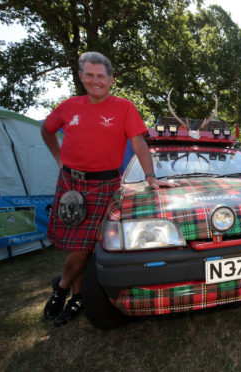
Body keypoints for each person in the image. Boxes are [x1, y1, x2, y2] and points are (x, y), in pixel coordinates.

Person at [41, 51, 177, 326]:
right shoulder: (68, 106)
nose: (95, 81)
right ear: (81, 77)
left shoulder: (124, 107)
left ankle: (62, 287)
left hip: (104, 183)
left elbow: (139, 144)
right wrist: (58, 158)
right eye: (89, 75)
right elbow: (46, 129)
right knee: (77, 246)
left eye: (100, 76)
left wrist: (151, 177)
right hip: (70, 182)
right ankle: (78, 294)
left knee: (84, 247)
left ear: (110, 80)